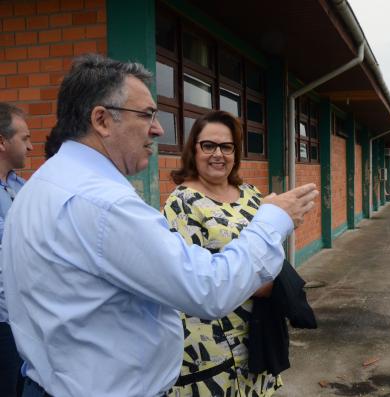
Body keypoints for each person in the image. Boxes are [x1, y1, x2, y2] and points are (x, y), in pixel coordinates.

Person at [2, 54, 319, 397]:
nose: (158, 128)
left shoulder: (41, 184)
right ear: (102, 120)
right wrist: (273, 219)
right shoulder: (105, 204)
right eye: (147, 115)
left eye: (227, 147)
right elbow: (207, 289)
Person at [163, 110, 281, 396]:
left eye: (226, 147)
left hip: (257, 333)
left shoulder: (251, 194)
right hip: (210, 342)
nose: (218, 154)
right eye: (208, 146)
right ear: (194, 149)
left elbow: (271, 246)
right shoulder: (182, 203)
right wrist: (262, 279)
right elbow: (195, 277)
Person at [0, 103, 31, 397]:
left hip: (23, 319)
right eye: (24, 138)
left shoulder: (23, 189)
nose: (31, 146)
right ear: (2, 141)